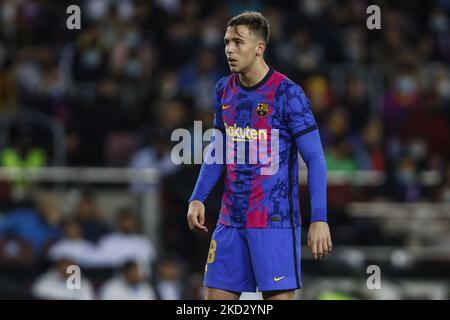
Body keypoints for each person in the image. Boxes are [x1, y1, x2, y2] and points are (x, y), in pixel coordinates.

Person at [186, 11, 332, 300]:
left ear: (259, 47)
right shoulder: (223, 90)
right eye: (227, 42)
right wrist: (197, 197)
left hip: (273, 222)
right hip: (230, 221)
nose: (229, 49)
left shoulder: (287, 94)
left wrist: (319, 219)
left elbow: (315, 159)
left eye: (238, 42)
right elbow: (218, 150)